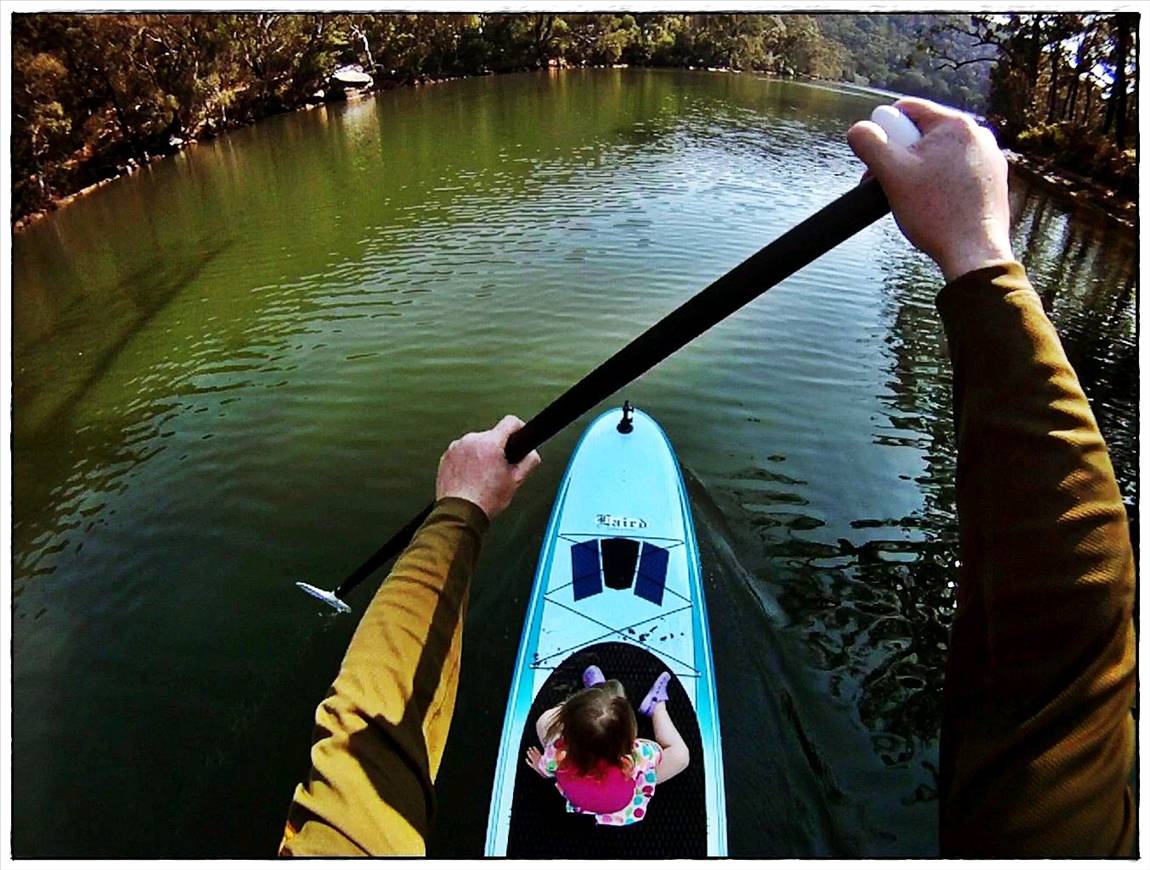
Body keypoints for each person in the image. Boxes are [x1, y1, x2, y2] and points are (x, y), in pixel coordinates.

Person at [278, 97, 1135, 857]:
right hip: (627, 801)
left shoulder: (554, 763)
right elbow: (1062, 667)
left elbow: (436, 749)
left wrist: (459, 515)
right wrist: (981, 257)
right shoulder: (649, 768)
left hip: (575, 798)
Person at [523, 667, 691, 826]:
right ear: (629, 735)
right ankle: (657, 707)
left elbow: (546, 769)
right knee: (681, 756)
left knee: (545, 721)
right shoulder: (637, 755)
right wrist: (646, 744)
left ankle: (594, 699)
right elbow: (657, 751)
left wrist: (541, 769)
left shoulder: (558, 754)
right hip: (623, 808)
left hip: (582, 803)